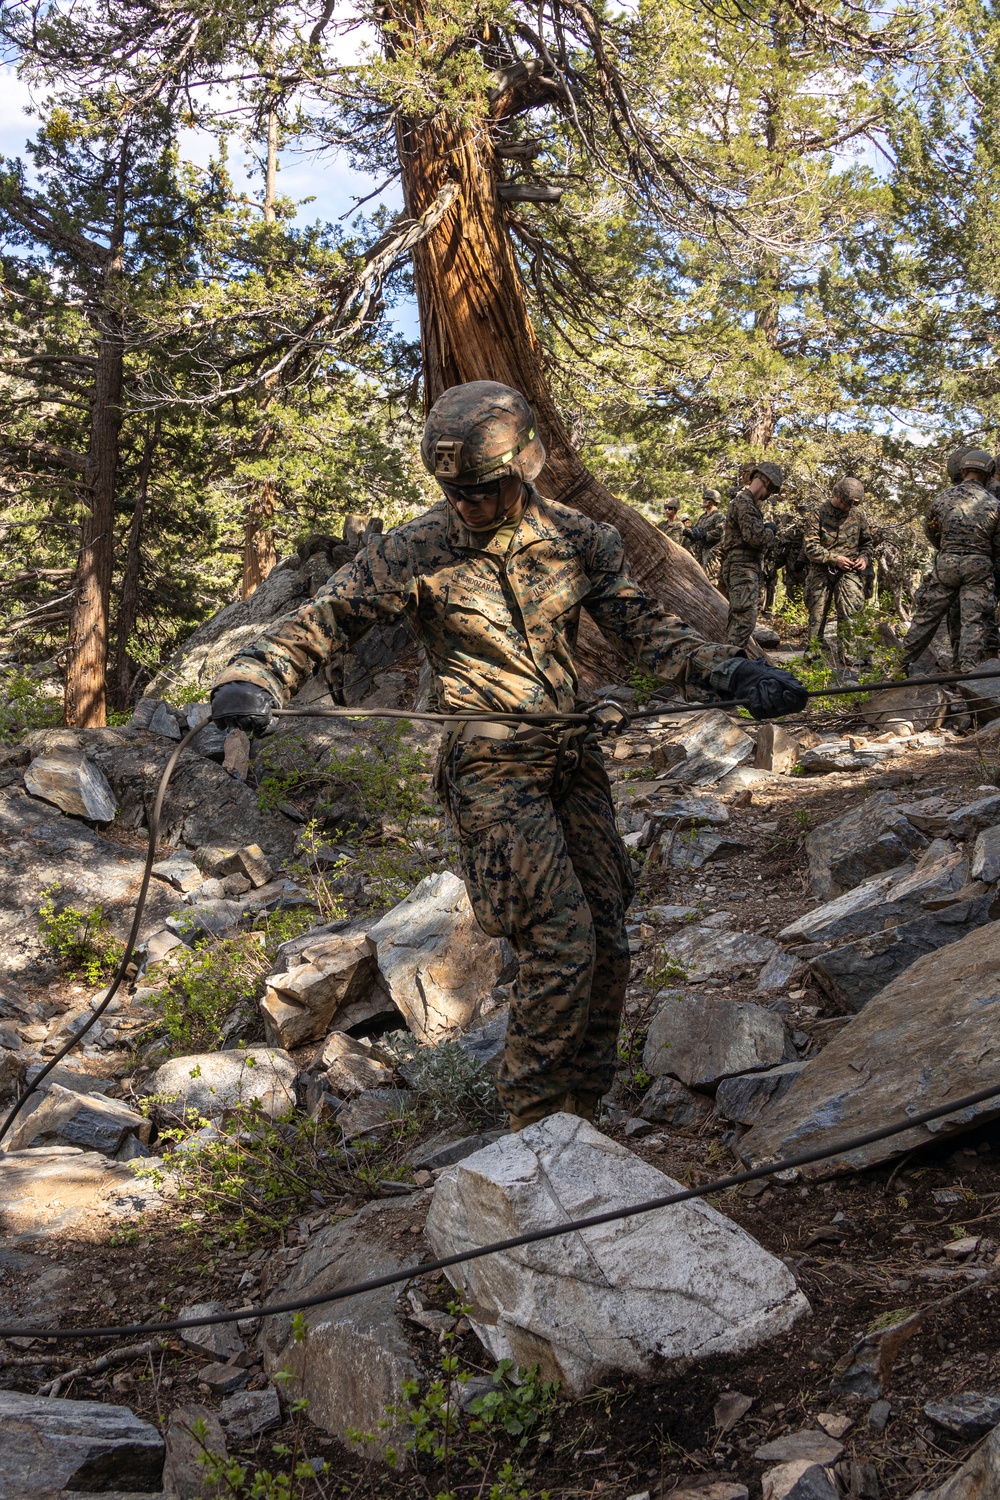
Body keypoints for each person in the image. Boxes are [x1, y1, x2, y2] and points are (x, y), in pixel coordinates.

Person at [209, 381, 807, 1132]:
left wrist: (731, 672)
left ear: (525, 466)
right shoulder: (412, 551)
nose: (468, 505)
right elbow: (318, 623)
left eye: (485, 489)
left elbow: (645, 628)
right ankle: (535, 1130)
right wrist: (248, 679)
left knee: (607, 933)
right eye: (454, 491)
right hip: (490, 773)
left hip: (572, 760)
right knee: (560, 940)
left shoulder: (582, 538)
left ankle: (580, 1113)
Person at [902, 449, 1000, 675]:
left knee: (926, 618)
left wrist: (948, 550)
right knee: (973, 621)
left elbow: (931, 531)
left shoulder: (942, 498)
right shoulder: (994, 503)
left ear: (963, 471)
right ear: (988, 473)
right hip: (979, 565)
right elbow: (998, 544)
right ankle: (967, 672)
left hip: (947, 562)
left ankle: (899, 665)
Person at [719, 461, 784, 648]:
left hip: (741, 567)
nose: (768, 496)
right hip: (743, 569)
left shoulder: (745, 503)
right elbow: (755, 538)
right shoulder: (745, 503)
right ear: (766, 481)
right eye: (770, 491)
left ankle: (731, 660)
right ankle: (729, 665)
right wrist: (770, 531)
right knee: (744, 622)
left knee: (738, 620)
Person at [803, 478, 872, 653]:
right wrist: (835, 559)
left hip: (849, 572)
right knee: (817, 616)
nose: (849, 508)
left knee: (850, 614)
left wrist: (864, 558)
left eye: (852, 505)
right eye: (845, 504)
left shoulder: (858, 516)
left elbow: (866, 544)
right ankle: (813, 655)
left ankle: (849, 658)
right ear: (837, 496)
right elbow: (810, 547)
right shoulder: (818, 514)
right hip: (821, 570)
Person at [684, 488, 725, 580]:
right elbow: (697, 532)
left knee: (712, 583)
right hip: (699, 556)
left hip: (711, 557)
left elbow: (721, 531)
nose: (704, 501)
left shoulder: (718, 516)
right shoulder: (702, 517)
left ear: (712, 501)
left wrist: (705, 535)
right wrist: (690, 534)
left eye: (706, 499)